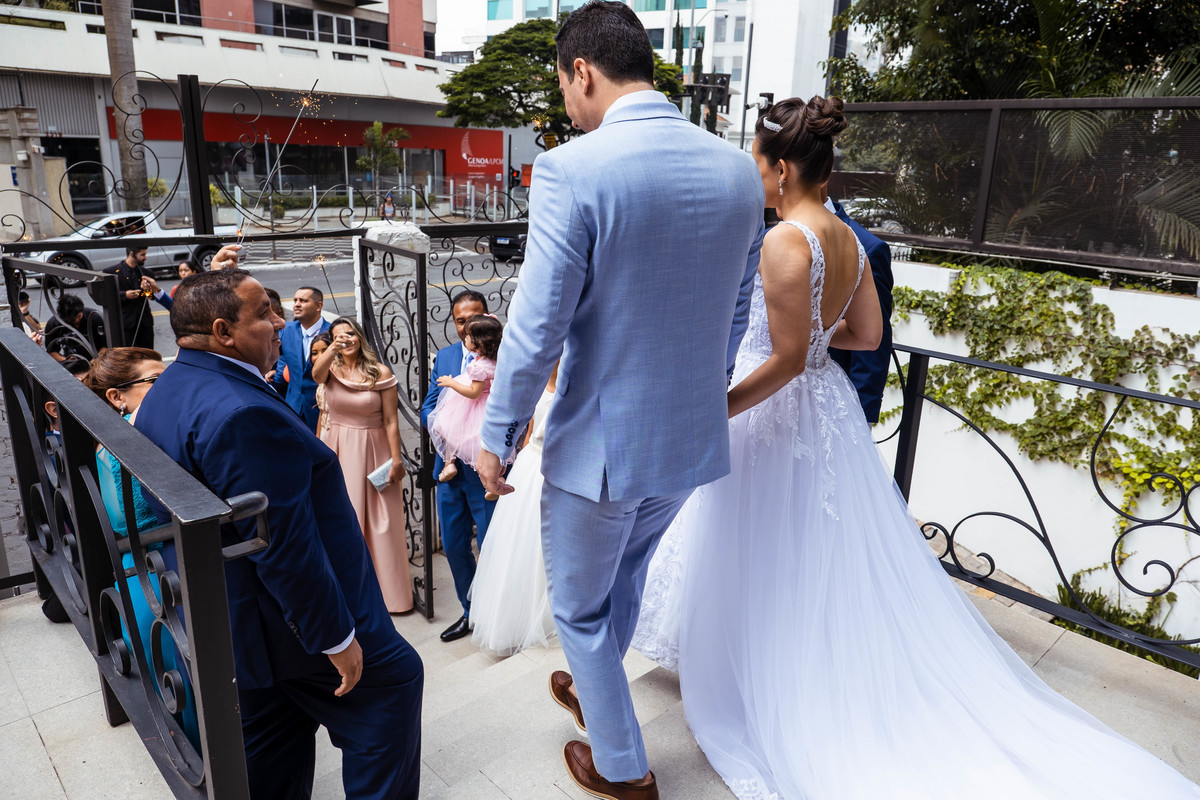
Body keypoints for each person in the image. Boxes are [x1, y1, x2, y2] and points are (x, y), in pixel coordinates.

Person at [632, 97, 1200, 800]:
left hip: (775, 412)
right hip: (826, 411)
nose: (752, 175)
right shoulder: (847, 237)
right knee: (804, 550)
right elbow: (868, 335)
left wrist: (714, 408)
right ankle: (792, 668)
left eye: (755, 161)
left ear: (780, 169)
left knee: (759, 543)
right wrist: (815, 339)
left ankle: (762, 679)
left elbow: (783, 361)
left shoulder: (784, 241)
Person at [474, 4, 765, 798]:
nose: (566, 104)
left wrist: (499, 433)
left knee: (578, 607)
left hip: (603, 447)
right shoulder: (737, 169)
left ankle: (625, 771)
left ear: (583, 71)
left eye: (562, 86)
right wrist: (703, 389)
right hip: (690, 434)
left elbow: (537, 324)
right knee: (627, 573)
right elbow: (738, 308)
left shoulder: (573, 169)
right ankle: (593, 689)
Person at [134, 256, 423, 800]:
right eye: (265, 313)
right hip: (287, 624)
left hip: (233, 620)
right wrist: (335, 637)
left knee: (273, 744)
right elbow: (283, 542)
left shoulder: (172, 385)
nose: (280, 322)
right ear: (223, 331)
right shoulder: (240, 412)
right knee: (393, 687)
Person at [84, 347, 199, 750]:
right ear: (117, 396)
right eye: (155, 380)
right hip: (159, 574)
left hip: (146, 571)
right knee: (187, 679)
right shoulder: (133, 439)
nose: (170, 385)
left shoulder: (122, 435)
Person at [312, 316, 412, 615]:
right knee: (348, 518)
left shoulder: (380, 372)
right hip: (339, 448)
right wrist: (332, 350)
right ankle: (352, 595)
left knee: (383, 523)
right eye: (338, 335)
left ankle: (391, 596)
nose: (346, 339)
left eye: (350, 333)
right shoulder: (330, 370)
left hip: (375, 449)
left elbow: (391, 421)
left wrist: (396, 460)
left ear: (360, 336)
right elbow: (315, 375)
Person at [419, 289, 498, 644]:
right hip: (449, 469)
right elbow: (429, 404)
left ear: (487, 316)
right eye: (459, 320)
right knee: (453, 544)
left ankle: (496, 614)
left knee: (492, 543)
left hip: (485, 471)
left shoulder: (500, 355)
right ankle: (470, 611)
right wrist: (445, 429)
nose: (466, 326)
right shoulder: (447, 356)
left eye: (472, 318)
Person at [468, 365, 558, 657]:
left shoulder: (574, 385)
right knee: (519, 543)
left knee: (546, 546)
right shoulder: (538, 387)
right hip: (530, 466)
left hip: (555, 469)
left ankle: (548, 617)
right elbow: (529, 432)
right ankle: (515, 623)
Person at [824, 183, 894, 422]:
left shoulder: (866, 246)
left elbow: (873, 347)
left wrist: (859, 422)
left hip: (831, 406)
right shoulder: (769, 236)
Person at [427, 314, 504, 489]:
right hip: (492, 404)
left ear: (479, 344)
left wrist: (451, 383)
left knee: (451, 427)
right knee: (489, 445)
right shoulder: (498, 361)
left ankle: (450, 464)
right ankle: (496, 480)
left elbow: (474, 392)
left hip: (474, 406)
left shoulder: (478, 367)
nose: (465, 339)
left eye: (468, 336)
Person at [270, 286, 331, 433]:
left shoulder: (331, 332)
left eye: (303, 301)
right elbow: (279, 357)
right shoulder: (287, 330)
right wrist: (273, 372)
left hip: (324, 408)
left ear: (318, 306)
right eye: (295, 300)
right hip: (294, 407)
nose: (297, 304)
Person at [103, 247, 155, 349]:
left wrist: (148, 290)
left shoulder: (147, 273)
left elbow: (152, 296)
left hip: (144, 322)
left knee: (147, 353)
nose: (145, 258)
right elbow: (105, 295)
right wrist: (125, 295)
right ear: (132, 254)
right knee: (127, 353)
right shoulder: (111, 272)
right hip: (125, 322)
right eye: (142, 255)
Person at [43, 293, 106, 362]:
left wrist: (95, 361)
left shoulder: (95, 317)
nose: (76, 320)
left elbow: (105, 346)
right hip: (70, 361)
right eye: (71, 319)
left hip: (97, 358)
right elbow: (51, 351)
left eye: (79, 316)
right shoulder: (54, 324)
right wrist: (66, 360)